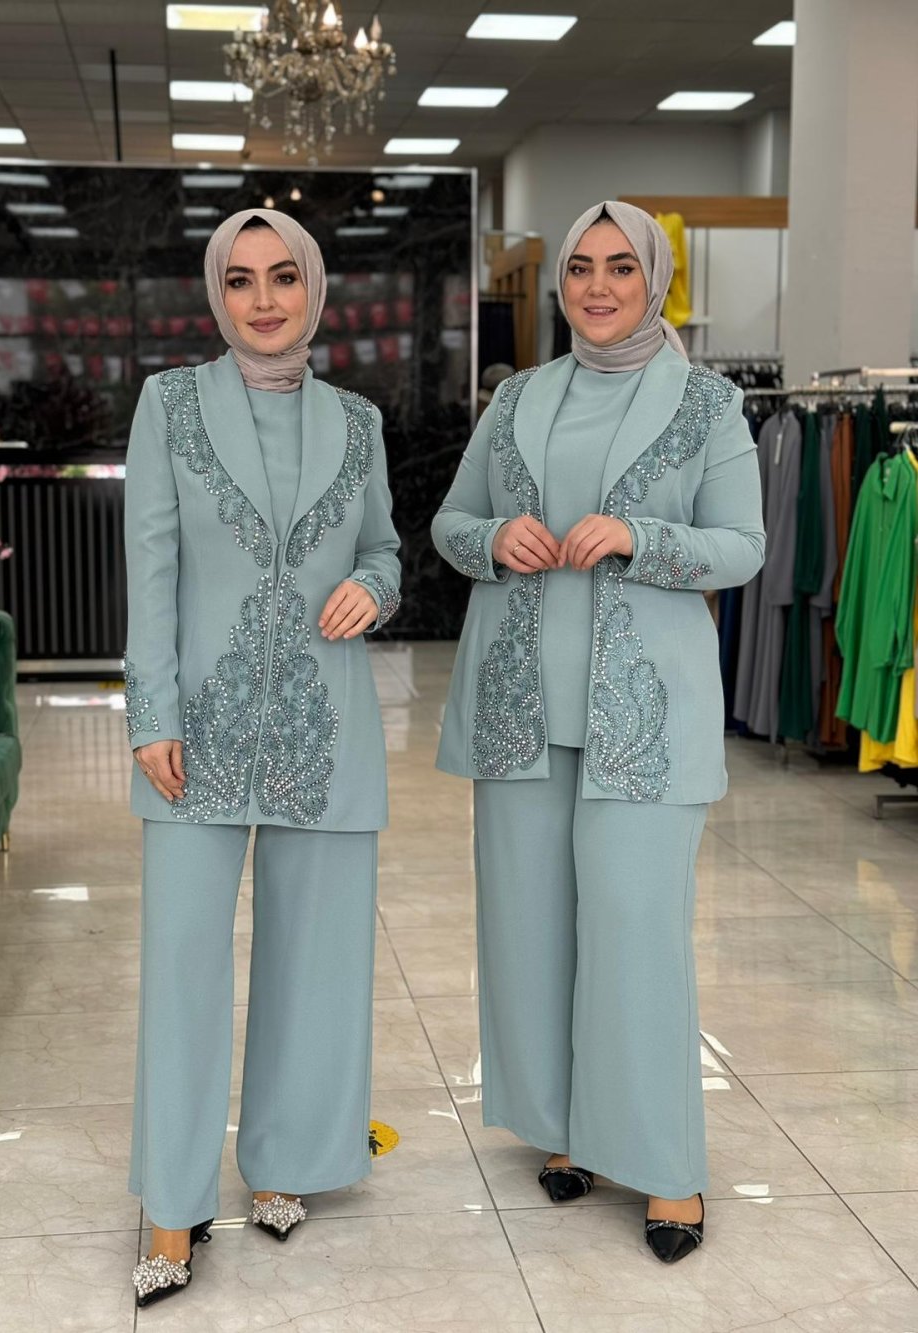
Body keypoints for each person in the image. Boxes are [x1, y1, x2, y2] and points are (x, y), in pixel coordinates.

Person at [431, 200, 765, 1264]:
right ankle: (565, 1127)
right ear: (560, 284)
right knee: (530, 928)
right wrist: (494, 536)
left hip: (644, 713)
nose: (598, 286)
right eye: (580, 267)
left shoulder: (707, 403)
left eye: (622, 267)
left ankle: (667, 1166)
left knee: (635, 928)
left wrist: (637, 535)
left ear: (653, 280)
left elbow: (743, 547)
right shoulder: (516, 397)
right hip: (521, 705)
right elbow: (448, 522)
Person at [123, 208, 401, 1308]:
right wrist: (150, 712)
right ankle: (170, 1201)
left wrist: (373, 586)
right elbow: (150, 565)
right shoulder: (169, 404)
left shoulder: (358, 421)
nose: (264, 299)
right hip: (196, 727)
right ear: (217, 294)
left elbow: (383, 547)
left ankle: (285, 1158)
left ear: (314, 289)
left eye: (283, 277)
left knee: (314, 958)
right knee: (183, 964)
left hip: (324, 727)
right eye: (240, 281)